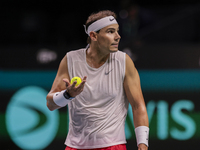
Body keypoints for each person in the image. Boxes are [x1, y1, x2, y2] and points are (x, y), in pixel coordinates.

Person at [46, 10, 149, 150]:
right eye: (111, 31)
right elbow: (50, 104)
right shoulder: (70, 59)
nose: (118, 36)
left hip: (113, 146)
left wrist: (143, 146)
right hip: (75, 146)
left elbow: (138, 106)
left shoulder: (124, 61)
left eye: (117, 31)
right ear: (93, 35)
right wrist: (67, 95)